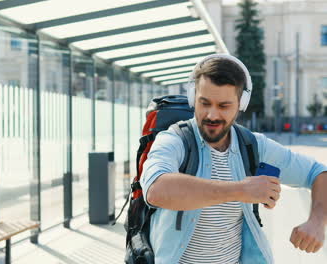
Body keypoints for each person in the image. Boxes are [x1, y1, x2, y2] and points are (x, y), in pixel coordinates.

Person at [140, 54, 327, 264]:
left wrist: (317, 221)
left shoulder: (254, 145)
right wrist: (240, 190)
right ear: (194, 98)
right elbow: (156, 190)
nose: (211, 114)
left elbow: (319, 173)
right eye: (205, 103)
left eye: (223, 106)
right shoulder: (175, 139)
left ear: (241, 104)